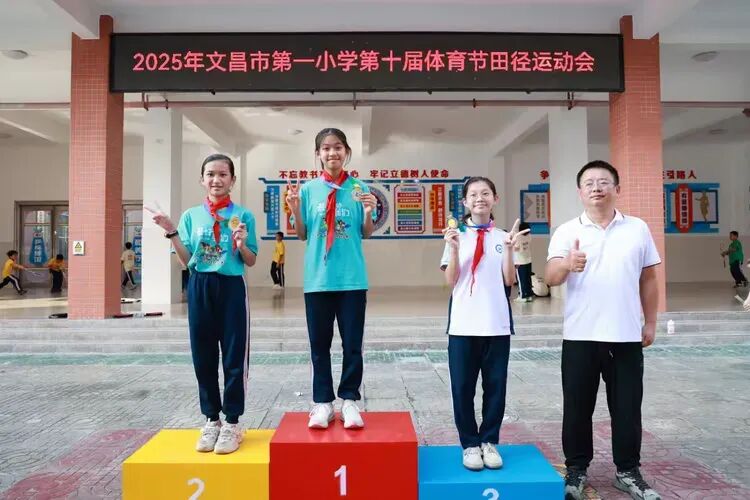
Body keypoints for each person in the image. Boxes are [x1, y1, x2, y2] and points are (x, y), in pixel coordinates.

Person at [545, 160, 662, 500]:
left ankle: (628, 471)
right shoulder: (567, 231)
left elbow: (648, 278)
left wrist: (650, 321)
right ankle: (576, 470)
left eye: (604, 182)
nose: (596, 187)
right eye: (589, 183)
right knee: (577, 408)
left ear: (617, 189)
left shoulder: (637, 228)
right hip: (580, 335)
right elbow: (550, 276)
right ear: (580, 192)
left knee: (627, 408)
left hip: (625, 335)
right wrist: (567, 264)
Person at [147, 153, 258, 455]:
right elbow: (186, 261)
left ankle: (232, 422)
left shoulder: (243, 215)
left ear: (232, 180)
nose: (216, 180)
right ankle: (211, 419)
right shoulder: (191, 216)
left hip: (231, 287)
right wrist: (171, 231)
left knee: (234, 356)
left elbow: (250, 260)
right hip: (200, 286)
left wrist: (241, 245)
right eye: (210, 174)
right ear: (202, 179)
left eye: (223, 174)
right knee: (203, 355)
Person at [286, 127, 377, 430]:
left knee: (352, 345)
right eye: (325, 148)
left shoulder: (359, 188)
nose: (332, 153)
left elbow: (366, 233)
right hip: (318, 279)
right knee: (319, 345)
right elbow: (301, 234)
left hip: (352, 279)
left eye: (337, 147)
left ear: (346, 151)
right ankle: (323, 403)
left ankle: (349, 400)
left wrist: (368, 211)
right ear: (318, 154)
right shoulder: (308, 190)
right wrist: (295, 209)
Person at [441, 176, 528, 471]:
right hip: (463, 326)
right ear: (465, 201)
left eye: (486, 193)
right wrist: (453, 249)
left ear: (495, 199)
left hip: (496, 325)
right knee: (462, 388)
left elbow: (508, 281)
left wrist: (509, 248)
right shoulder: (455, 236)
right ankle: (469, 444)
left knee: (495, 387)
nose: (480, 198)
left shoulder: (504, 237)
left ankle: (489, 441)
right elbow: (451, 280)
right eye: (474, 194)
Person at [513, 221, 533, 302]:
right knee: (528, 279)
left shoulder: (518, 237)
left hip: (520, 262)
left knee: (521, 280)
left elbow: (516, 248)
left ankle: (522, 296)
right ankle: (529, 295)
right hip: (528, 260)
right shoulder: (529, 236)